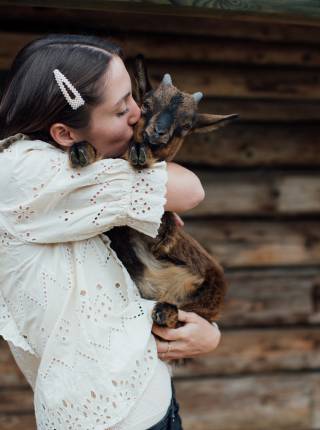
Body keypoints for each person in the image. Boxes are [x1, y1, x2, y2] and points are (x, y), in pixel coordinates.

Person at [0, 34, 221, 430]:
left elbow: (113, 302)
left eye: (135, 99)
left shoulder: (86, 183)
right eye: (122, 111)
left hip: (154, 400)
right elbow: (190, 190)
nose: (139, 116)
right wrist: (150, 195)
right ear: (64, 133)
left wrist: (208, 333)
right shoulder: (22, 172)